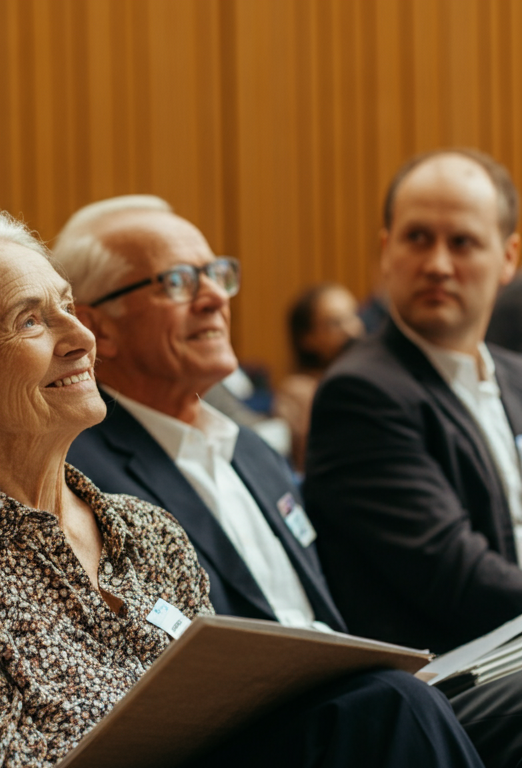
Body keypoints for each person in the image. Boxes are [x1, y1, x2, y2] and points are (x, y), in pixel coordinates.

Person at [0, 206, 481, 767]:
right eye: (30, 320)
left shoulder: (148, 533)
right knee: (386, 710)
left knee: (392, 703)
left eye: (68, 304)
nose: (81, 336)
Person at [56, 195, 344, 632]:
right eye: (177, 281)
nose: (213, 297)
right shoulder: (79, 479)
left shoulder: (254, 451)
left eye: (215, 275)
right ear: (98, 330)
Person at [304, 149, 522, 654]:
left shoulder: (514, 377)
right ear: (386, 249)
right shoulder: (361, 392)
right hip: (452, 680)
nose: (438, 264)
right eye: (417, 238)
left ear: (508, 257)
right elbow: (458, 578)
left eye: (463, 242)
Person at [275, 282, 366, 471]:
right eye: (335, 323)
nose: (352, 330)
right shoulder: (298, 390)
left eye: (353, 316)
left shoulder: (369, 378)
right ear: (307, 339)